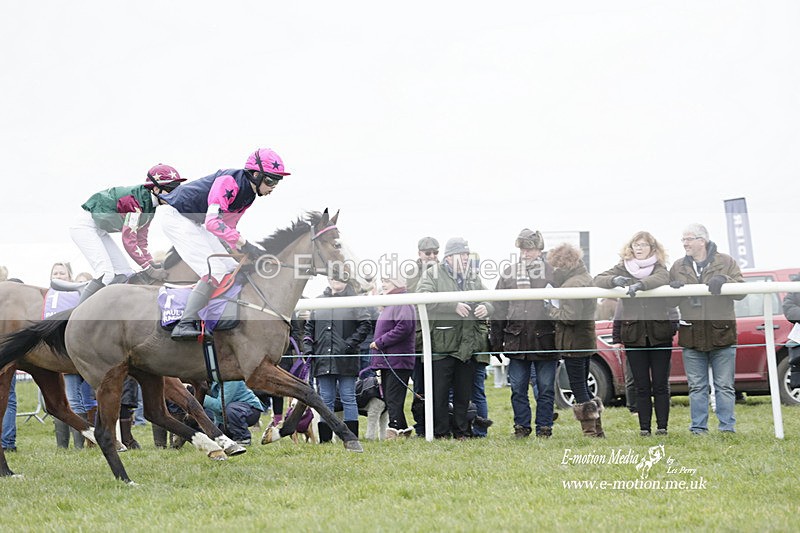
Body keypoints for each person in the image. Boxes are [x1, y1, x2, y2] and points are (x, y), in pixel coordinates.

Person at [160, 148, 289, 341]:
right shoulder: (229, 182)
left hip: (196, 222)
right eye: (270, 180)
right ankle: (185, 322)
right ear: (256, 175)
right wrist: (247, 245)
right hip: (175, 217)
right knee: (214, 271)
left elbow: (228, 229)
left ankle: (218, 315)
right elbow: (213, 223)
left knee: (231, 267)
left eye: (277, 182)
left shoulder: (249, 195)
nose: (273, 187)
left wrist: (249, 253)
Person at [594, 231, 674, 437]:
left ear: (652, 248)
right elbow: (599, 279)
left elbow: (661, 278)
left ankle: (662, 428)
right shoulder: (623, 267)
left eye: (643, 245)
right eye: (635, 245)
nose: (638, 248)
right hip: (634, 335)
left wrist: (640, 285)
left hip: (659, 335)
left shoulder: (660, 268)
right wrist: (615, 280)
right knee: (640, 385)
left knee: (660, 384)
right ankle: (644, 429)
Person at [70, 164, 185, 303]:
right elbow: (129, 240)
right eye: (171, 189)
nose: (175, 194)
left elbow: (141, 241)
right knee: (105, 274)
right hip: (84, 226)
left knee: (124, 272)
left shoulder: (149, 206)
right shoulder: (135, 202)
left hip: (98, 229)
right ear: (155, 188)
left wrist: (151, 263)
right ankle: (76, 316)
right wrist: (148, 268)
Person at [669, 223, 744, 435]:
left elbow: (741, 291)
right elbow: (666, 303)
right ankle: (698, 429)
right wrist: (672, 292)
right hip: (691, 336)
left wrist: (725, 280)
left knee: (725, 386)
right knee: (696, 387)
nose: (685, 243)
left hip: (722, 334)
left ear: (702, 240)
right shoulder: (677, 267)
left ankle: (727, 429)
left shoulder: (727, 262)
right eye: (683, 239)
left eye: (689, 238)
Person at [416, 237, 494, 439]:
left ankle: (462, 432)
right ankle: (441, 433)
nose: (466, 258)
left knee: (463, 393)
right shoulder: (432, 274)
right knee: (439, 394)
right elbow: (421, 298)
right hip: (441, 345)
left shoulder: (473, 277)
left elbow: (489, 298)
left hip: (466, 345)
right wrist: (452, 305)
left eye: (467, 254)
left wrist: (487, 307)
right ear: (449, 257)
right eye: (462, 254)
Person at [491, 228, 559, 438]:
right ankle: (521, 427)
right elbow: (498, 308)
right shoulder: (509, 274)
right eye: (523, 249)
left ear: (539, 249)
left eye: (529, 249)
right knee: (518, 389)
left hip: (546, 341)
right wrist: (496, 342)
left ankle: (545, 427)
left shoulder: (552, 273)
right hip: (516, 340)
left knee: (546, 388)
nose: (525, 253)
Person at [304, 277, 372, 442]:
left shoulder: (354, 301)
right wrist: (308, 348)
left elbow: (366, 325)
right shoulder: (318, 301)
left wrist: (348, 345)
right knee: (325, 399)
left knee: (348, 397)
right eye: (334, 277)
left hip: (346, 359)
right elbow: (309, 327)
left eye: (341, 278)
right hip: (322, 358)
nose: (337, 281)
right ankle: (325, 439)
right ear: (329, 279)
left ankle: (351, 438)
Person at [546, 243, 602, 437]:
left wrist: (550, 310)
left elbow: (569, 316)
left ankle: (590, 431)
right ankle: (597, 428)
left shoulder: (572, 285)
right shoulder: (586, 278)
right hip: (585, 339)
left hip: (573, 341)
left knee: (578, 386)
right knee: (584, 385)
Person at [369, 275, 416, 439]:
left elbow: (404, 326)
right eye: (383, 282)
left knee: (393, 397)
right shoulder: (390, 303)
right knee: (390, 397)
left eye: (387, 281)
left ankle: (394, 430)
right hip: (389, 360)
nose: (384, 285)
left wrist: (380, 342)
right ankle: (403, 429)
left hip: (398, 361)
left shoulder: (402, 301)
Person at [408, 236, 440, 437]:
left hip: (438, 337)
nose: (432, 256)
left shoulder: (443, 271)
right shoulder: (412, 274)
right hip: (418, 339)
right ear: (419, 254)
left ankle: (440, 424)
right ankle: (421, 427)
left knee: (440, 386)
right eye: (428, 253)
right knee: (420, 386)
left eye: (435, 252)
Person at [203, 380, 265, 445]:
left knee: (231, 409)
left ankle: (243, 438)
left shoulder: (230, 379)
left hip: (249, 409)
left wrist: (200, 397)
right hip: (226, 416)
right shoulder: (211, 381)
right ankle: (234, 435)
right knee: (219, 438)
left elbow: (220, 406)